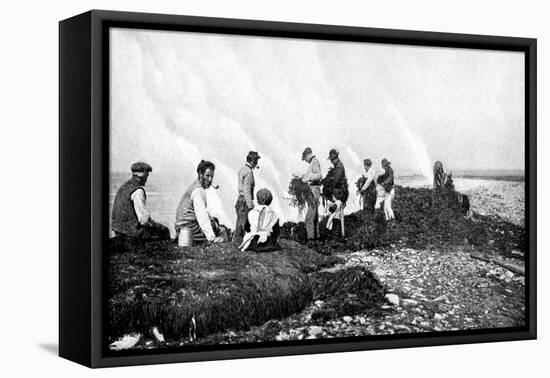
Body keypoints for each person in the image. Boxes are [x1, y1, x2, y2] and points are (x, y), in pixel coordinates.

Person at [111, 162, 171, 240]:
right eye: (146, 176)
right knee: (164, 230)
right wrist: (154, 224)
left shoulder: (124, 187)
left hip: (118, 230)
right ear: (140, 175)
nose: (146, 179)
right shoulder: (138, 191)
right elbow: (143, 220)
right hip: (132, 233)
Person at [175, 160, 226, 247]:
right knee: (222, 230)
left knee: (215, 222)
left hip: (182, 226)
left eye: (212, 177)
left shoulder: (194, 187)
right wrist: (211, 237)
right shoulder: (198, 191)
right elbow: (202, 216)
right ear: (200, 174)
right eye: (207, 176)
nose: (210, 179)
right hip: (190, 228)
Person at [232, 151, 261, 244]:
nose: (257, 163)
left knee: (245, 225)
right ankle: (237, 245)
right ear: (252, 160)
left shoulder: (243, 169)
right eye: (256, 160)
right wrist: (251, 205)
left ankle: (247, 243)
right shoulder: (249, 172)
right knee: (241, 226)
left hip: (240, 200)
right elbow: (246, 190)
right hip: (244, 202)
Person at [323, 149, 348, 237]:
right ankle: (336, 234)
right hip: (338, 192)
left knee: (334, 211)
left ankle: (332, 232)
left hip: (338, 193)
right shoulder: (338, 166)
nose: (331, 161)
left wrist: (328, 186)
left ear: (333, 159)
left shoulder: (339, 167)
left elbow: (335, 180)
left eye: (331, 159)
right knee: (336, 214)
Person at [300, 147, 322, 241]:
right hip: (314, 190)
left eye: (305, 158)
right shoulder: (313, 162)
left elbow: (319, 175)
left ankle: (311, 239)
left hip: (313, 190)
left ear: (308, 155)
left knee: (309, 217)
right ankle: (317, 237)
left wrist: (307, 178)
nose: (305, 161)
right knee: (315, 216)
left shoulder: (314, 161)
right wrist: (302, 176)